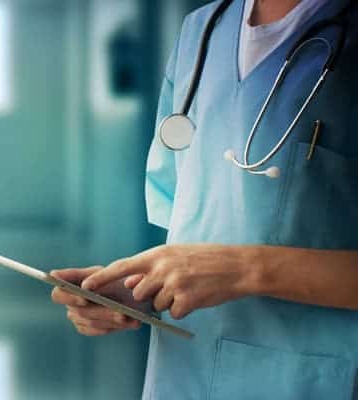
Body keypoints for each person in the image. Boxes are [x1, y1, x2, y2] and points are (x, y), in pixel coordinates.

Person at [51, 0, 358, 398]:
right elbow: (200, 221)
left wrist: (243, 269)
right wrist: (139, 290)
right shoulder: (202, 30)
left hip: (313, 378)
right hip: (184, 374)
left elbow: (227, 262)